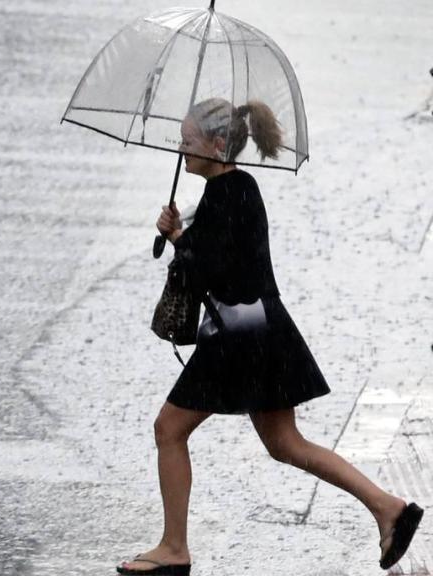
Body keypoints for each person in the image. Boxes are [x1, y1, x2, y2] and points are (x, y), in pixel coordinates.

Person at [115, 98, 425, 575]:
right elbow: (220, 261)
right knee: (285, 443)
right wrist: (181, 236)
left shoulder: (229, 194)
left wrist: (178, 239)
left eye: (188, 141)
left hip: (239, 339)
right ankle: (388, 508)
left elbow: (217, 274)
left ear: (218, 144)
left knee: (169, 429)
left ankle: (174, 548)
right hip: (260, 332)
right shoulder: (233, 190)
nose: (181, 150)